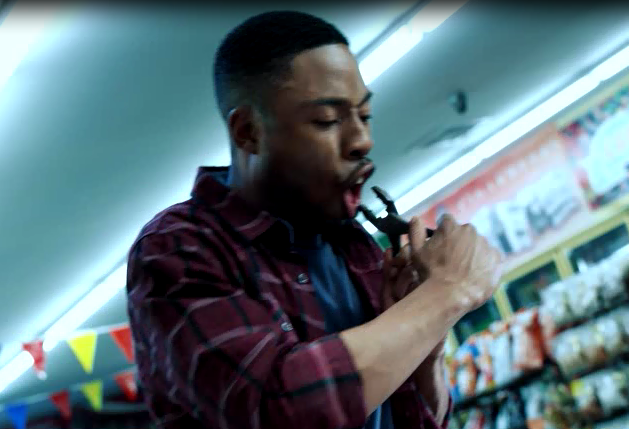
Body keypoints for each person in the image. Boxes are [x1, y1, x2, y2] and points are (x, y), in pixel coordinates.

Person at [126, 10, 502, 429]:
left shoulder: (354, 244)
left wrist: (423, 345)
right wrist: (444, 295)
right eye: (328, 120)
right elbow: (277, 410)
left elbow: (416, 417)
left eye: (364, 115)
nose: (363, 140)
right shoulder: (179, 248)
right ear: (248, 131)